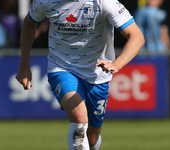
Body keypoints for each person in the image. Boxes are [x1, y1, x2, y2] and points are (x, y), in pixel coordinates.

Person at [15, 0, 144, 149]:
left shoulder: (105, 3)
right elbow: (29, 23)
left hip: (97, 75)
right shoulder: (46, 1)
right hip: (62, 68)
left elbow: (137, 37)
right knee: (79, 117)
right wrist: (24, 66)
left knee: (92, 137)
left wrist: (117, 64)